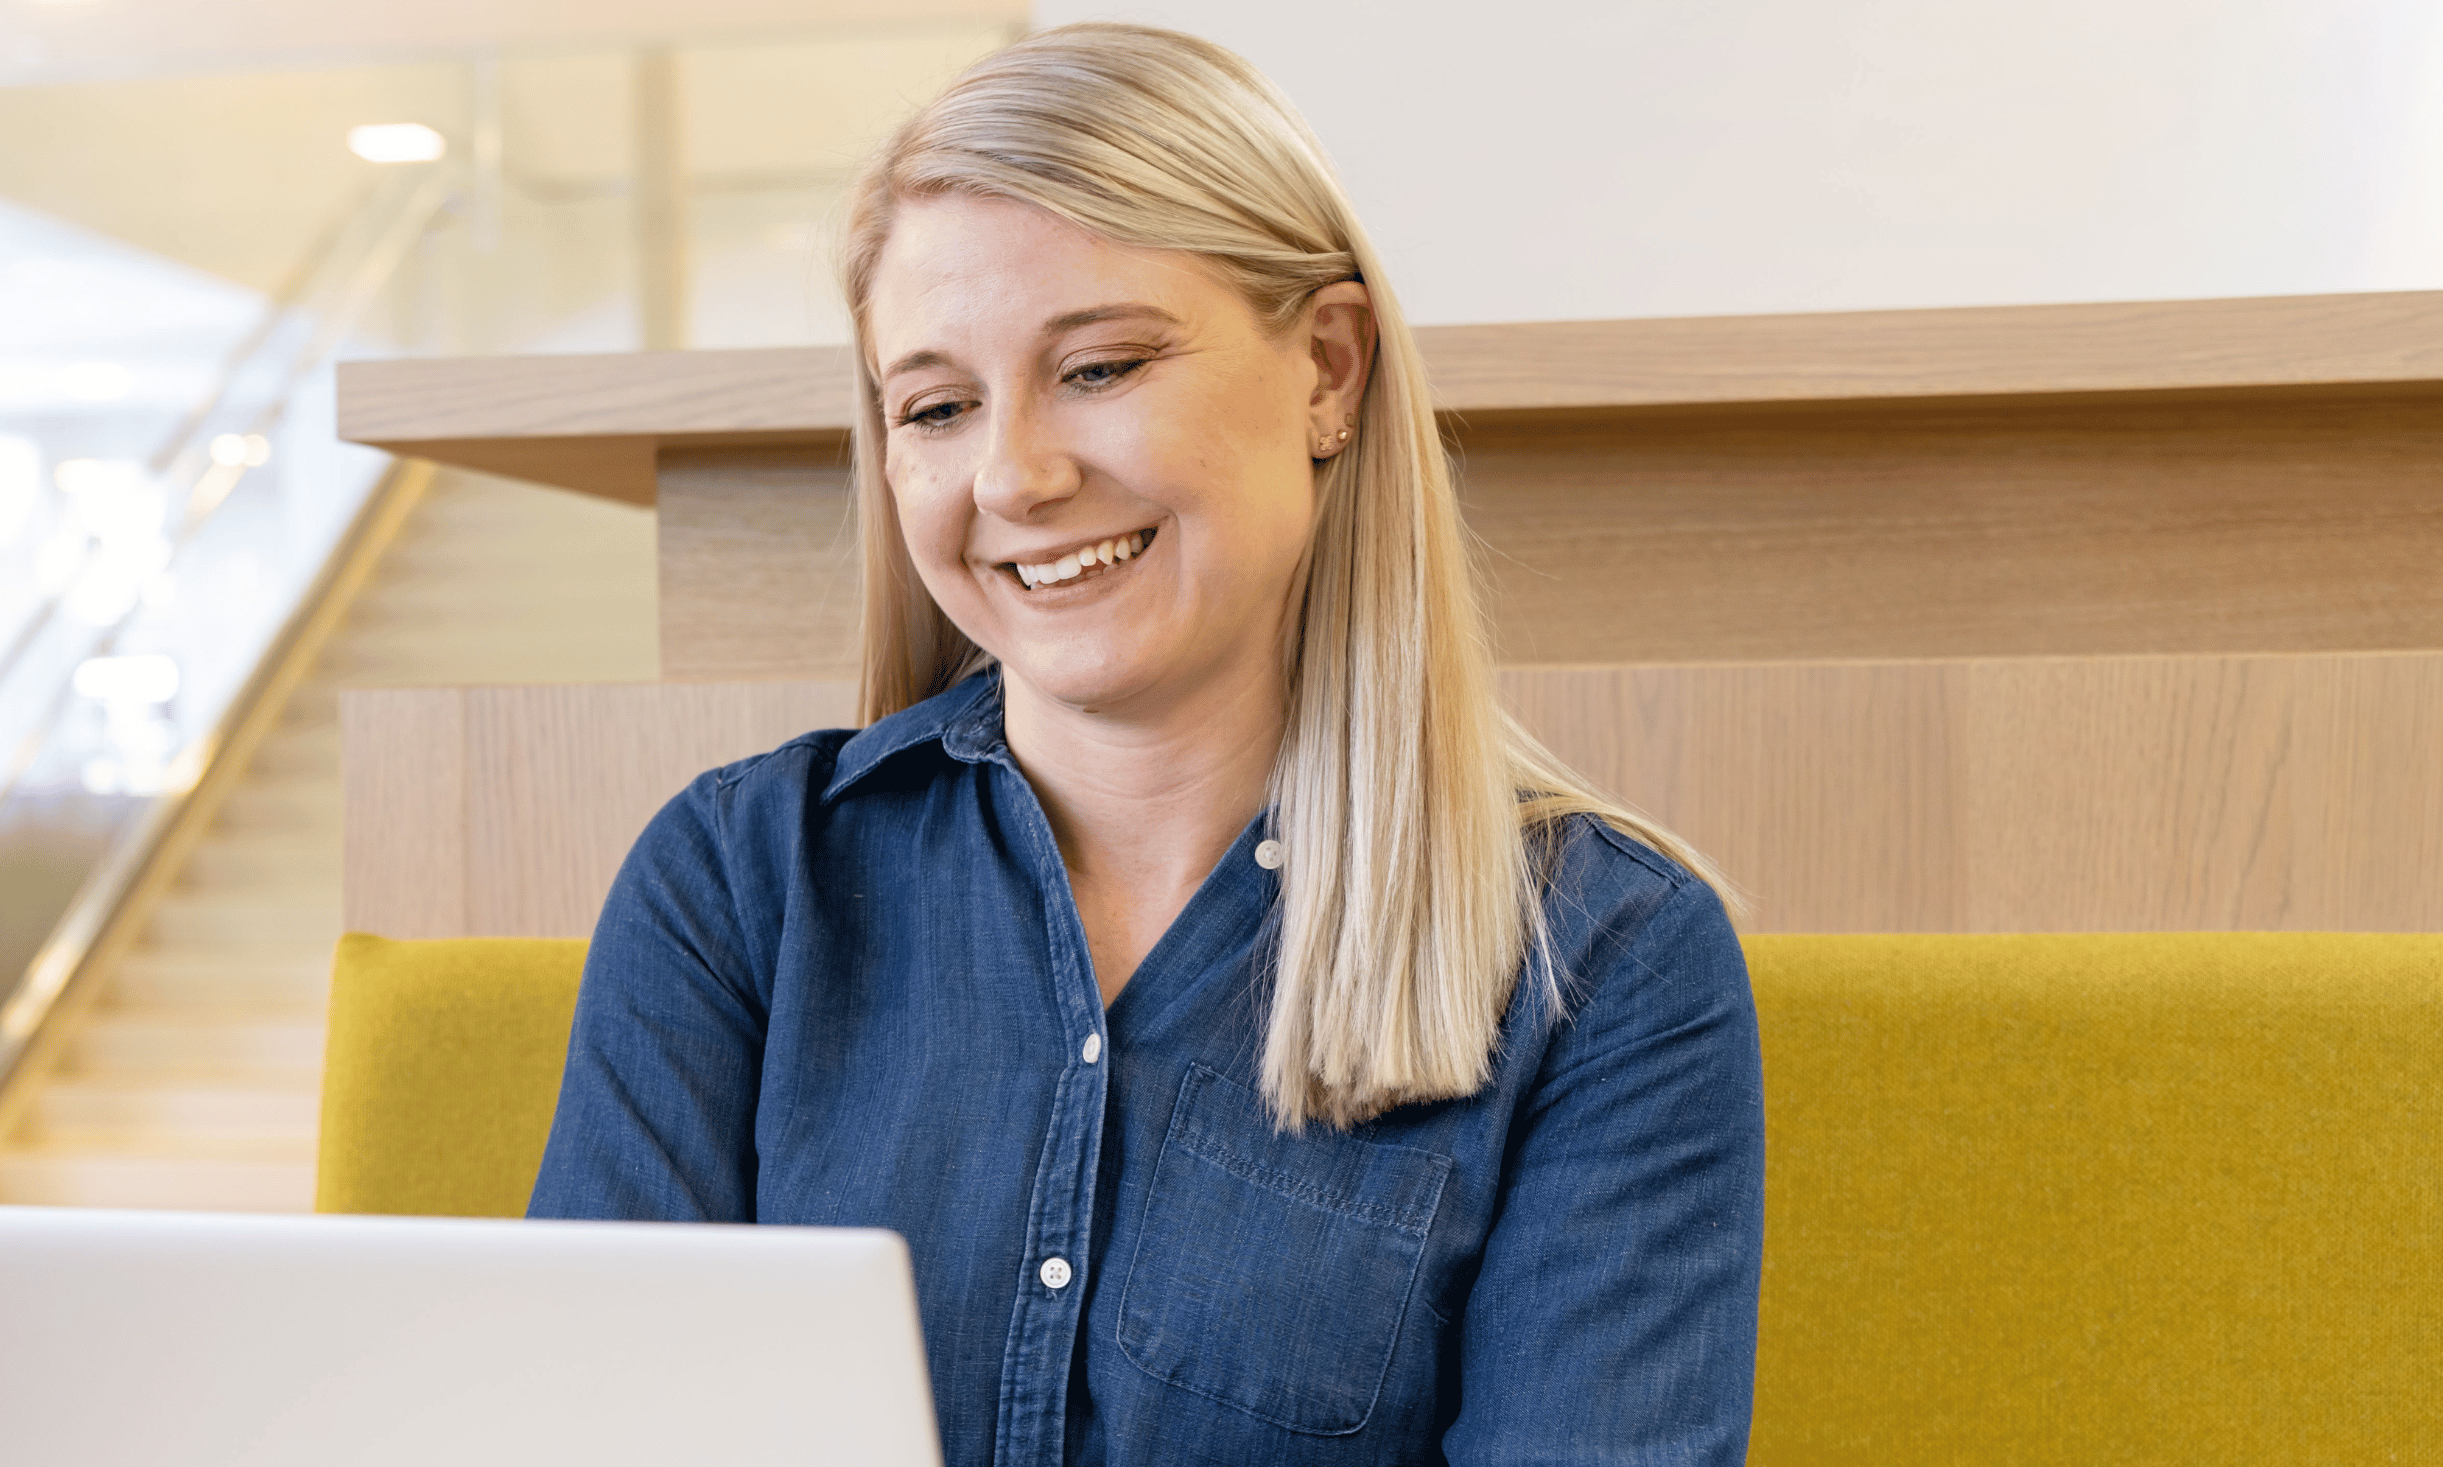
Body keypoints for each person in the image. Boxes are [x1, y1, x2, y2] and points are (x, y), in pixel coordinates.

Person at [529, 24, 1766, 1467]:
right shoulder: (741, 883)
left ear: (1327, 368)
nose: (1014, 474)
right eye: (936, 405)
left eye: (1100, 366)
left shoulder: (1600, 961)